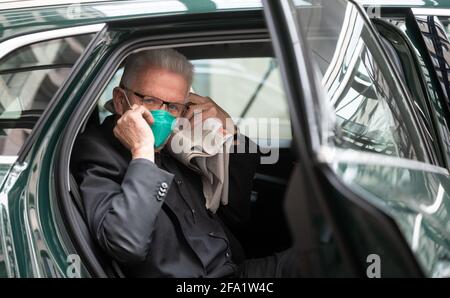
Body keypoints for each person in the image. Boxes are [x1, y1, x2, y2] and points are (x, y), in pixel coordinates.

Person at [71, 48, 299, 277]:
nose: (163, 115)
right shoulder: (97, 151)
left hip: (234, 270)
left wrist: (229, 128)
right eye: (150, 100)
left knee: (320, 256)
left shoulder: (179, 143)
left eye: (172, 107)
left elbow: (236, 213)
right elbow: (125, 244)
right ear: (121, 101)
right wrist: (142, 152)